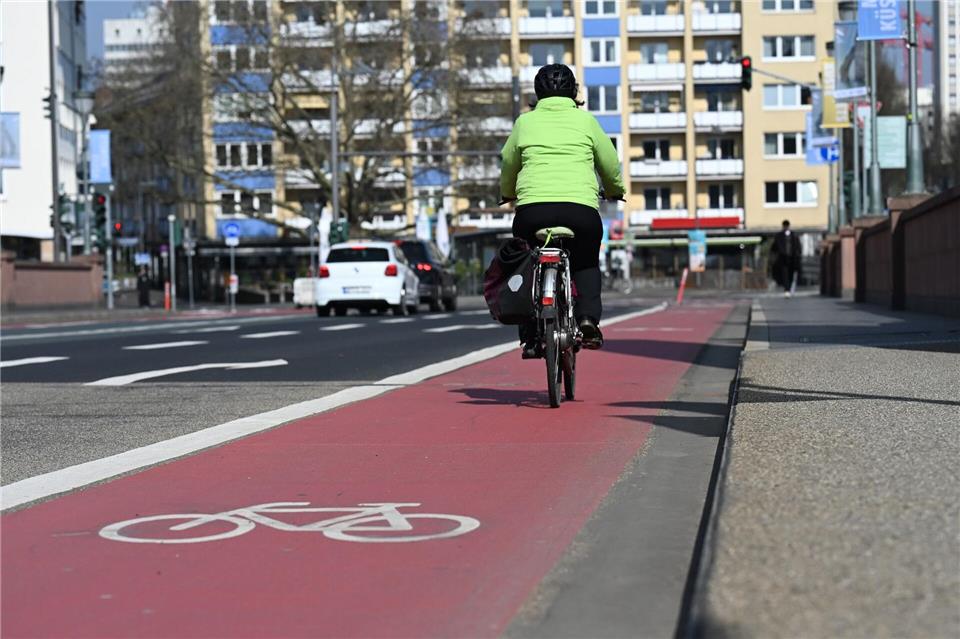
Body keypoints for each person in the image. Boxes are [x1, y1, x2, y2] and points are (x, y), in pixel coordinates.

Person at [499, 64, 625, 357]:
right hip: (580, 211)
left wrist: (507, 192)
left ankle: (531, 334)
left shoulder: (524, 123)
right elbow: (608, 162)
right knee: (585, 263)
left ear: (538, 94)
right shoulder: (586, 122)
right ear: (574, 92)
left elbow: (508, 163)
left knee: (526, 260)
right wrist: (616, 190)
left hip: (532, 211)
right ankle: (587, 319)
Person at [771, 219, 801, 297]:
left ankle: (789, 288)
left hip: (792, 259)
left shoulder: (793, 235)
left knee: (790, 274)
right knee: (785, 274)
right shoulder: (779, 236)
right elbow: (774, 247)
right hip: (783, 259)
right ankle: (787, 289)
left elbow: (798, 246)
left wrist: (797, 256)